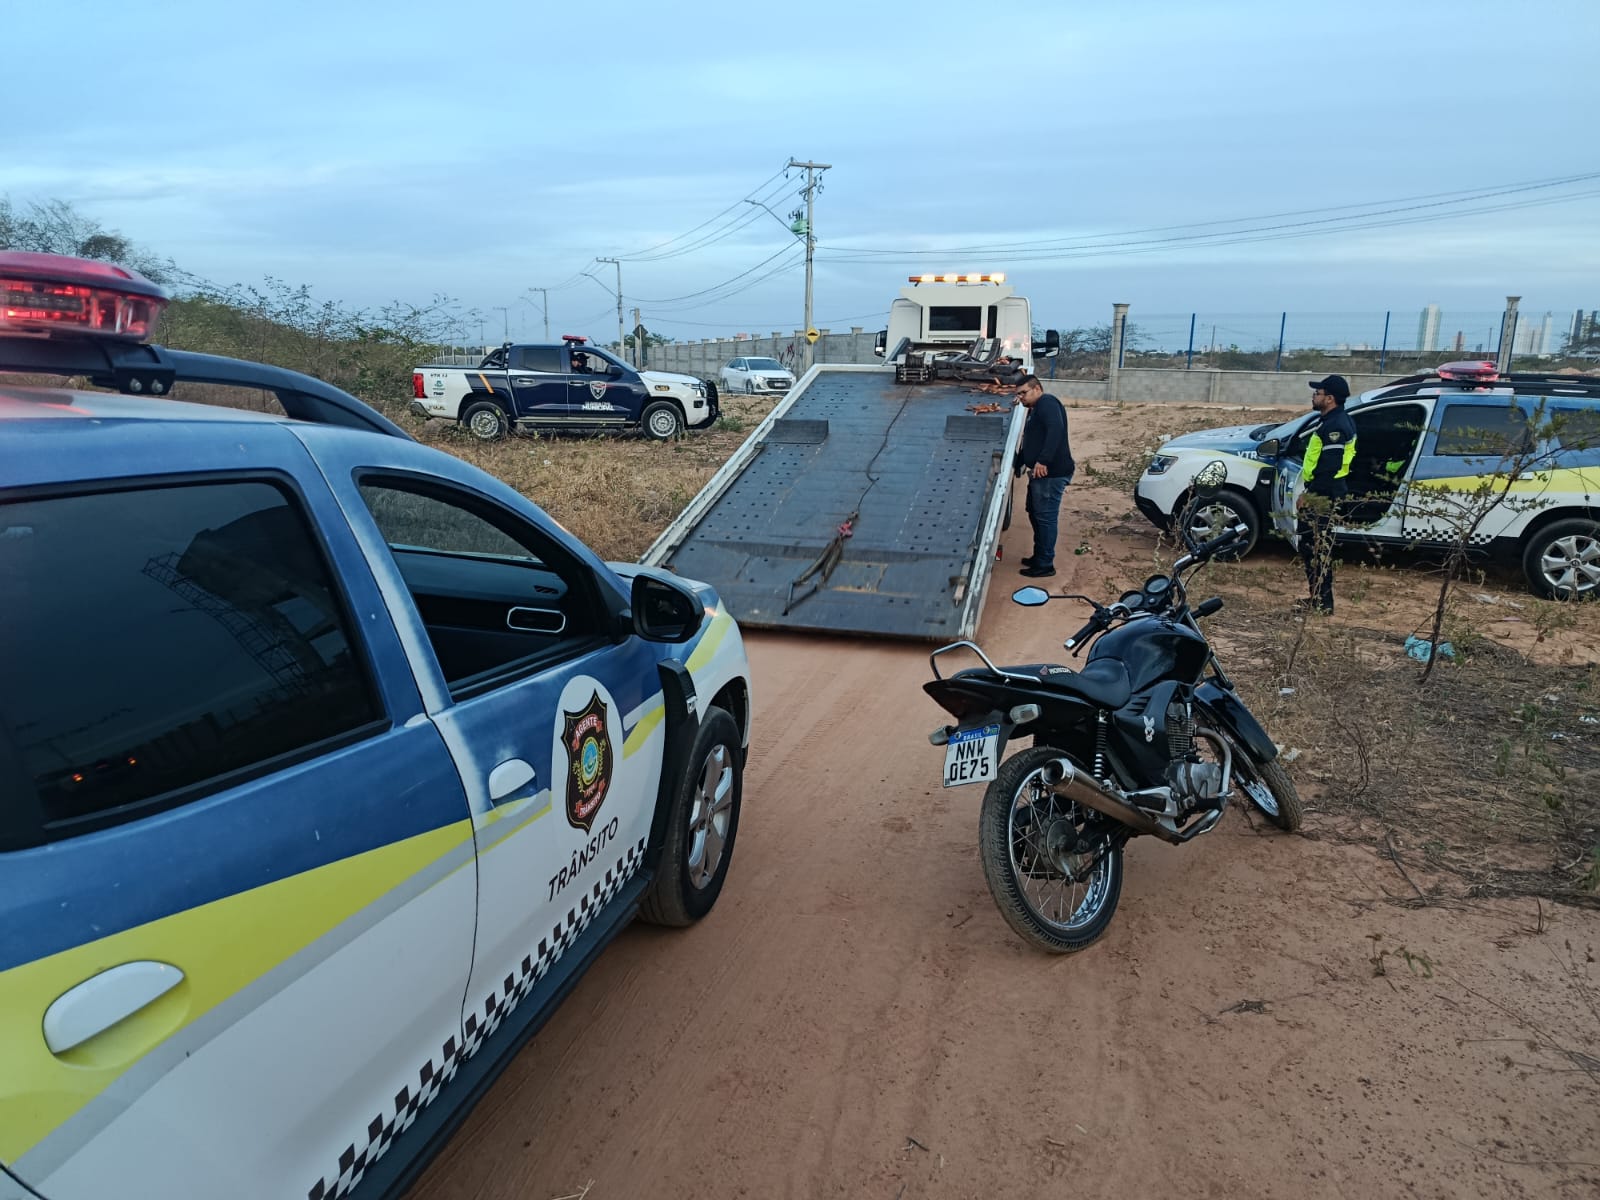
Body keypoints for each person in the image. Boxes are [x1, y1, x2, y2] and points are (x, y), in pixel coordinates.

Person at [1297, 374, 1358, 614]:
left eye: (1318, 393)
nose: (1314, 396)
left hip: (1323, 495)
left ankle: (1322, 603)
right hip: (1323, 492)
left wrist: (1309, 495)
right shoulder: (1332, 421)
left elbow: (1330, 468)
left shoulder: (1335, 427)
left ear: (1330, 398)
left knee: (1316, 548)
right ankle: (1318, 598)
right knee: (1312, 546)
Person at [1011, 374, 1075, 578]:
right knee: (1034, 512)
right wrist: (1018, 462)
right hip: (1041, 474)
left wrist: (1043, 460)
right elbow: (1031, 441)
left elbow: (1056, 430)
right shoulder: (1035, 409)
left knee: (1045, 518)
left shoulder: (1047, 403)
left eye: (1024, 393)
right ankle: (1039, 556)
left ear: (1037, 389)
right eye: (1018, 394)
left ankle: (1045, 564)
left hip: (1050, 474)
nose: (1021, 397)